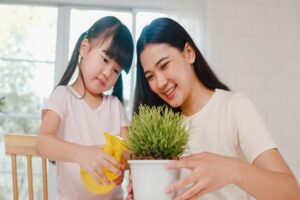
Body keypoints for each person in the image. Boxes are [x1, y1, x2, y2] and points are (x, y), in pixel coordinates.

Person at [129, 17, 300, 200]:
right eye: (150, 76)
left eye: (164, 65)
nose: (160, 82)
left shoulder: (233, 108)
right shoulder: (161, 132)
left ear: (189, 53)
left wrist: (233, 169)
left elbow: (291, 192)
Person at [37, 16, 133, 200]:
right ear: (85, 48)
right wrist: (82, 154)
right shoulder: (63, 96)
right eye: (105, 59)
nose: (107, 73)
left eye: (116, 71)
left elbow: (128, 152)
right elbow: (43, 142)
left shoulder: (114, 106)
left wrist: (121, 165)